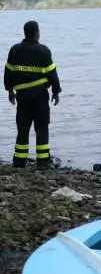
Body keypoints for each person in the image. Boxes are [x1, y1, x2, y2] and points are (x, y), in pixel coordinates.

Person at [4, 20, 61, 170]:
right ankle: (42, 163)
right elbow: (52, 73)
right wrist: (56, 91)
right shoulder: (44, 51)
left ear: (25, 33)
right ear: (37, 33)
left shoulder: (14, 50)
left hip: (22, 96)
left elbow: (8, 72)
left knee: (22, 128)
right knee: (41, 127)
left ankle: (19, 162)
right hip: (40, 96)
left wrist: (9, 90)